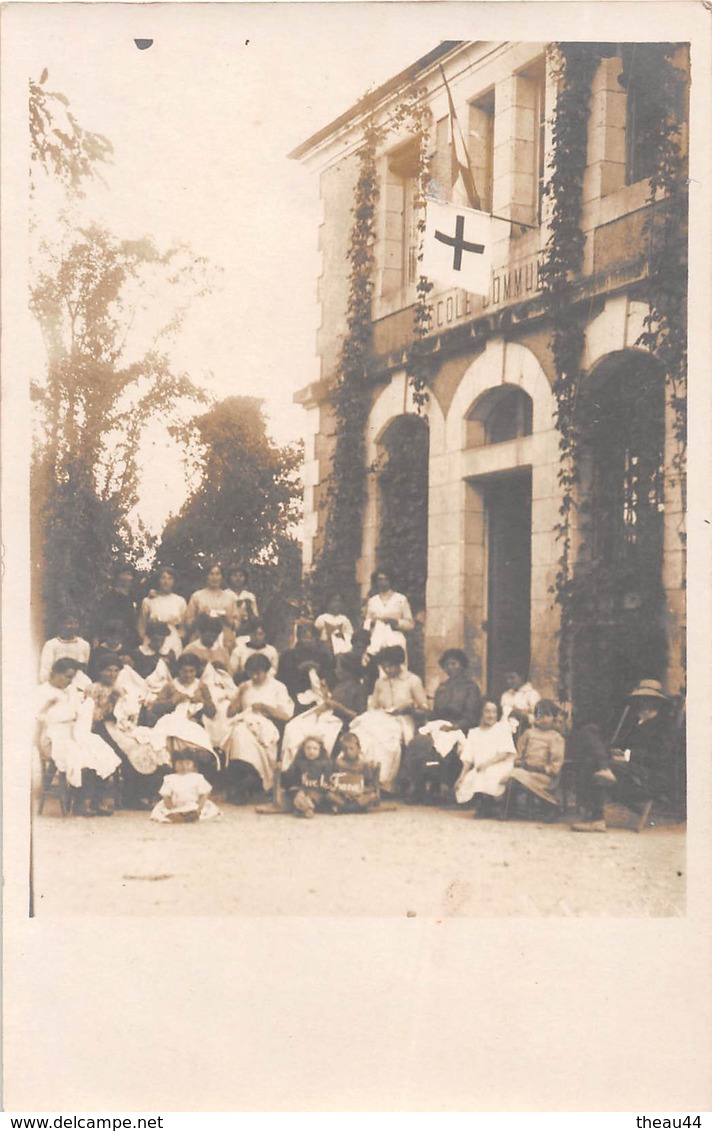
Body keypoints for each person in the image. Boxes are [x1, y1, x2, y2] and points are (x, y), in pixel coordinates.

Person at [571, 679, 675, 833]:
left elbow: (662, 758)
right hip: (628, 771)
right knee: (590, 734)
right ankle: (604, 769)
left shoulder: (664, 726)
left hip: (647, 779)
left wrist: (627, 755)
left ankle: (597, 818)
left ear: (656, 702)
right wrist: (616, 752)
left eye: (646, 701)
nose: (641, 705)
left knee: (595, 763)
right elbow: (621, 745)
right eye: (639, 700)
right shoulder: (636, 722)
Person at [36, 658, 120, 816]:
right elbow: (35, 718)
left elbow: (77, 711)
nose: (69, 681)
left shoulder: (71, 690)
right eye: (66, 676)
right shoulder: (42, 691)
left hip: (72, 731)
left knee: (100, 752)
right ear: (54, 673)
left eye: (71, 677)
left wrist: (85, 706)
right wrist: (48, 706)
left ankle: (95, 801)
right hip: (53, 735)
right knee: (80, 757)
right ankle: (81, 803)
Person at [400, 649, 482, 803]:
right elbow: (436, 713)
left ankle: (441, 786)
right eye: (447, 665)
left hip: (460, 727)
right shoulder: (442, 687)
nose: (450, 667)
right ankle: (418, 786)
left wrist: (455, 726)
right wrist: (424, 715)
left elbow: (472, 716)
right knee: (419, 742)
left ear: (462, 665)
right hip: (440, 726)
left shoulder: (470, 687)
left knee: (441, 745)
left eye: (454, 664)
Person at [349, 645, 428, 794]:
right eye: (384, 667)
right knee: (363, 733)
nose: (387, 671)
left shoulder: (412, 680)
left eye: (390, 667)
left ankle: (383, 780)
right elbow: (373, 706)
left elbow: (424, 708)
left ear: (399, 664)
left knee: (385, 739)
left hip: (403, 719)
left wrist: (408, 707)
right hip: (381, 718)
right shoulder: (380, 683)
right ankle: (362, 776)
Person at [224, 653, 294, 801]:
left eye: (258, 673)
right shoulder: (246, 686)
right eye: (251, 673)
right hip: (245, 722)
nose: (254, 677)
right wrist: (239, 694)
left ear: (267, 671)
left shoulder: (278, 687)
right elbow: (230, 713)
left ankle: (253, 778)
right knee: (239, 733)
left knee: (244, 735)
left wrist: (266, 708)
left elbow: (286, 715)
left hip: (267, 725)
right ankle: (244, 777)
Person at [454, 699, 517, 815]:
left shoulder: (502, 729)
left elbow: (505, 753)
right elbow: (467, 758)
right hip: (481, 767)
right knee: (467, 780)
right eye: (487, 712)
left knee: (488, 774)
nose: (491, 715)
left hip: (500, 764)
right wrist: (461, 776)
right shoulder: (474, 733)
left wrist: (487, 764)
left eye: (494, 712)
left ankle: (495, 805)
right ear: (481, 713)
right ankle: (485, 804)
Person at [507, 699, 565, 813]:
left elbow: (555, 766)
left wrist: (539, 768)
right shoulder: (529, 733)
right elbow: (518, 753)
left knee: (516, 775)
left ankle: (549, 806)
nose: (543, 719)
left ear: (553, 717)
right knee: (513, 776)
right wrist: (519, 762)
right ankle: (508, 809)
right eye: (539, 715)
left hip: (545, 775)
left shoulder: (556, 738)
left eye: (547, 715)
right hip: (526, 771)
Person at [277, 621, 334, 711]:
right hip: (295, 695)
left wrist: (319, 670)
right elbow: (282, 680)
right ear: (299, 638)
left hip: (321, 695)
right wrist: (299, 670)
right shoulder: (288, 656)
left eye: (311, 637)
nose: (308, 640)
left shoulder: (323, 656)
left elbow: (331, 676)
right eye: (304, 637)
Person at [150, 753, 221, 823]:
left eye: (188, 763)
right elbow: (166, 796)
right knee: (163, 812)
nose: (184, 766)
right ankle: (178, 816)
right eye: (180, 763)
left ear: (193, 765)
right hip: (175, 805)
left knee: (204, 810)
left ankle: (191, 815)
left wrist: (199, 808)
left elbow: (203, 794)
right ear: (174, 765)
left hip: (193, 804)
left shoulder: (197, 777)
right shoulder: (169, 778)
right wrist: (170, 808)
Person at [362, 569, 414, 659]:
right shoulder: (372, 601)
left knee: (396, 664)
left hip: (395, 636)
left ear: (391, 581)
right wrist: (372, 622)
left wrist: (396, 622)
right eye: (380, 579)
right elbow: (366, 623)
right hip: (377, 638)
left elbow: (410, 624)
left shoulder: (400, 599)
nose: (382, 582)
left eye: (385, 579)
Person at [325, 732, 380, 814]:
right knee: (329, 795)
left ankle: (345, 808)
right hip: (342, 795)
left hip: (358, 795)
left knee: (372, 796)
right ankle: (355, 808)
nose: (348, 751)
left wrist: (362, 790)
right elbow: (331, 781)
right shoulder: (337, 763)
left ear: (358, 749)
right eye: (345, 749)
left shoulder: (364, 764)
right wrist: (337, 788)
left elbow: (371, 785)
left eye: (351, 748)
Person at [137, 567, 187, 658]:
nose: (166, 581)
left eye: (169, 578)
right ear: (158, 580)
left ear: (174, 581)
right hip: (153, 640)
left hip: (173, 640)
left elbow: (183, 627)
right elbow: (142, 625)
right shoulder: (148, 601)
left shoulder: (180, 601)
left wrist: (178, 638)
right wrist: (145, 639)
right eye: (163, 578)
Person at [283, 736, 335, 819]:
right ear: (303, 750)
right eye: (308, 748)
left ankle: (303, 808)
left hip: (316, 791)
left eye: (315, 749)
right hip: (302, 789)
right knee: (296, 795)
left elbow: (327, 782)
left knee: (315, 796)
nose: (311, 751)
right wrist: (298, 790)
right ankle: (306, 808)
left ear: (320, 750)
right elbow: (293, 779)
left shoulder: (325, 764)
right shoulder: (299, 762)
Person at [185, 563, 239, 640]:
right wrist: (200, 616)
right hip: (201, 638)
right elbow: (188, 624)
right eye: (211, 574)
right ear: (206, 576)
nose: (215, 577)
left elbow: (237, 625)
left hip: (225, 639)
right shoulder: (197, 596)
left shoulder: (230, 597)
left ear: (222, 577)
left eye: (218, 574)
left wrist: (227, 619)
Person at [92, 564, 139, 649]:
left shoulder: (133, 597)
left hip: (128, 639)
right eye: (123, 574)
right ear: (118, 576)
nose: (126, 577)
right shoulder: (109, 597)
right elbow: (99, 619)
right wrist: (96, 638)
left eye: (129, 574)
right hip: (110, 637)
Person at [38, 613, 91, 688]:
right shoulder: (51, 645)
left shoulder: (84, 645)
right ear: (60, 625)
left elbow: (84, 668)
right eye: (69, 623)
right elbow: (45, 670)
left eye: (75, 623)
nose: (72, 627)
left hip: (79, 685)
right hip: (58, 685)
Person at [500, 671, 541, 737]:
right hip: (504, 733)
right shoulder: (506, 695)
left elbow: (539, 717)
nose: (509, 681)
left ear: (522, 677)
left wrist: (524, 715)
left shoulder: (532, 694)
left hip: (523, 733)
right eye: (507, 678)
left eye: (512, 678)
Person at [225, 565, 260, 632]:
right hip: (227, 630)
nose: (238, 578)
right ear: (229, 578)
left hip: (245, 630)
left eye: (241, 576)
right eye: (235, 575)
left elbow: (255, 616)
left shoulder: (249, 596)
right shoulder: (224, 594)